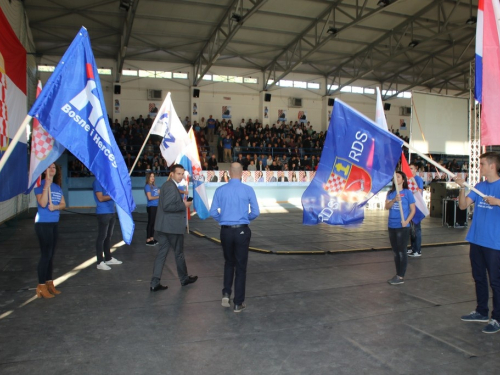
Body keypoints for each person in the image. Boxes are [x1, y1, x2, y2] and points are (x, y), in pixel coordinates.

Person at [456, 152, 500, 334]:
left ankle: (497, 318)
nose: (479, 167)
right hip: (476, 240)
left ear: (492, 166)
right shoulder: (479, 186)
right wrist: (461, 188)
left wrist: (498, 202)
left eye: (482, 164)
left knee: (496, 281)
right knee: (479, 277)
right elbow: (463, 206)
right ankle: (482, 311)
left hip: (494, 243)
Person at [210, 163, 260, 312]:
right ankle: (238, 303)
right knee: (241, 266)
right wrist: (245, 219)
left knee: (228, 262)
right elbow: (256, 212)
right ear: (242, 173)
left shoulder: (220, 190)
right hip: (241, 231)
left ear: (229, 173)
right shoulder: (248, 190)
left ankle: (226, 292)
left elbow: (213, 212)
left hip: (225, 231)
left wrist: (222, 220)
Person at [150, 164, 198, 291]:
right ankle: (184, 279)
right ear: (172, 173)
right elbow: (167, 206)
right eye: (179, 173)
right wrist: (184, 205)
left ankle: (155, 282)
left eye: (182, 174)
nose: (181, 176)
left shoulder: (167, 185)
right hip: (171, 228)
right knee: (179, 254)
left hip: (163, 226)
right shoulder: (171, 187)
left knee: (162, 254)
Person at [34, 163, 66, 298]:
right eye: (49, 167)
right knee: (46, 254)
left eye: (54, 167)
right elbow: (42, 203)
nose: (52, 169)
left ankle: (49, 283)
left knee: (51, 255)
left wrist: (56, 207)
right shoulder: (39, 186)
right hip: (43, 223)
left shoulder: (57, 187)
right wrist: (46, 185)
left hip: (54, 223)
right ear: (44, 170)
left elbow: (64, 204)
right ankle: (41, 286)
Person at [385, 171, 415, 285]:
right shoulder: (391, 193)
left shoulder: (408, 193)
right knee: (395, 252)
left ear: (403, 180)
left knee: (402, 251)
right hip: (391, 225)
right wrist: (394, 200)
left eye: (398, 176)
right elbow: (387, 207)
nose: (396, 178)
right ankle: (398, 274)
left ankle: (401, 276)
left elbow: (413, 210)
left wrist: (406, 221)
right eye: (394, 177)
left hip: (402, 226)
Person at [93, 179, 123, 271]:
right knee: (102, 237)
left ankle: (108, 258)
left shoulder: (108, 183)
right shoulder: (98, 182)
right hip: (103, 212)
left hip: (111, 211)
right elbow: (100, 198)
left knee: (108, 237)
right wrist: (113, 195)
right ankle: (99, 262)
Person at [408, 162, 425, 257]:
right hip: (411, 206)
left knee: (416, 229)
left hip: (417, 206)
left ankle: (417, 250)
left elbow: (420, 192)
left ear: (415, 169)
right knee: (412, 229)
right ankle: (413, 248)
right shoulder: (409, 180)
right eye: (409, 168)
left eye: (411, 168)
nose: (410, 170)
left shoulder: (418, 179)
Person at [144, 172, 160, 246]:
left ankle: (152, 238)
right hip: (151, 207)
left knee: (154, 223)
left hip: (156, 206)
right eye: (151, 176)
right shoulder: (147, 186)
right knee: (150, 223)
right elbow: (150, 198)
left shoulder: (155, 186)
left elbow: (159, 193)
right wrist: (158, 197)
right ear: (148, 177)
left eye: (153, 176)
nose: (152, 178)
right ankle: (148, 239)